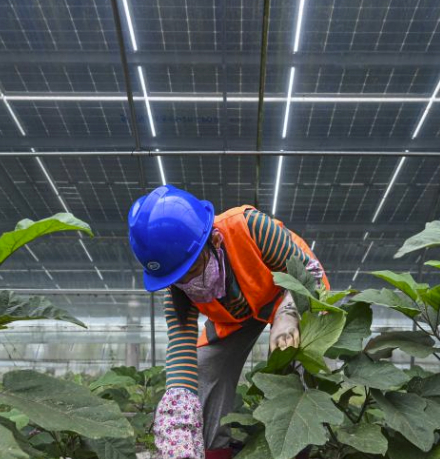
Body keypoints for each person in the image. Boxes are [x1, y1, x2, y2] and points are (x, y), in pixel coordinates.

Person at [127, 185, 328, 459]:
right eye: (178, 278)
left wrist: (287, 315)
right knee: (205, 365)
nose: (188, 283)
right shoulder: (177, 292)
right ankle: (213, 451)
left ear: (214, 241)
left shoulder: (249, 227)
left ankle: (295, 452)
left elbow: (309, 274)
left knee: (293, 365)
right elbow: (181, 359)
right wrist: (176, 427)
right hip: (240, 313)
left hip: (295, 293)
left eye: (193, 270)